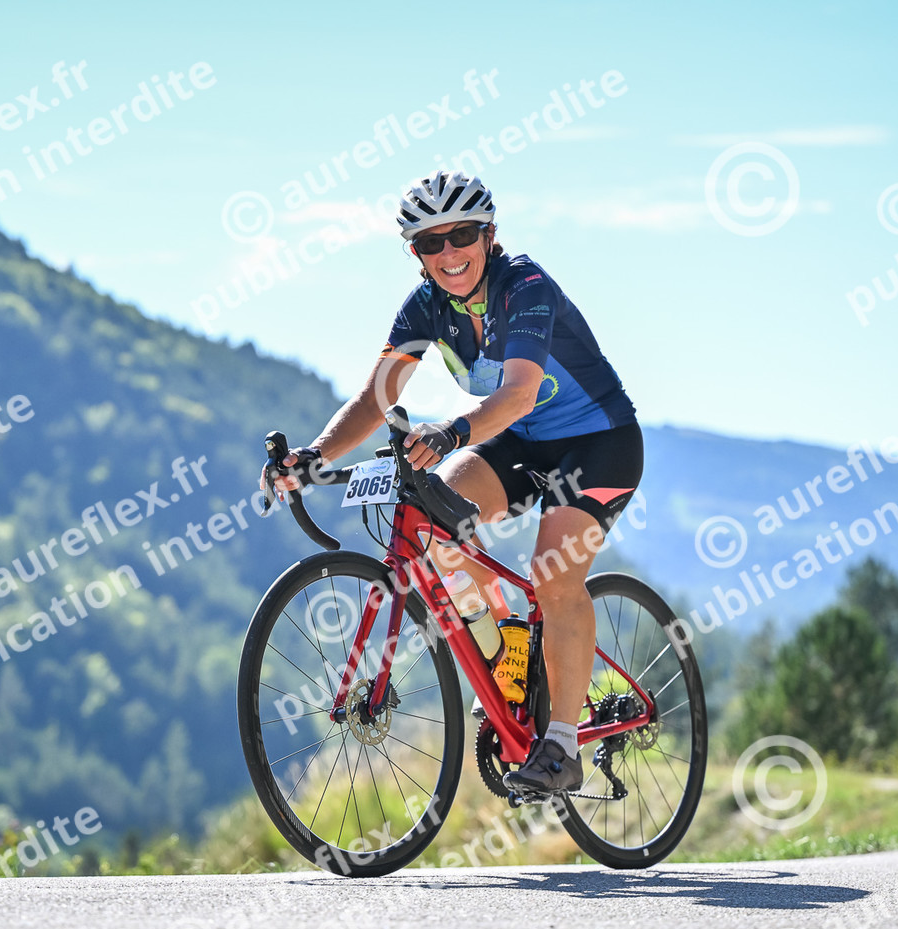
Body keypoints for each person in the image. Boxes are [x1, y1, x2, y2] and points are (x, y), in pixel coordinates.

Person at [261, 169, 643, 796]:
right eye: (430, 242)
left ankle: (562, 746)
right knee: (438, 522)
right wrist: (314, 454)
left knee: (552, 574)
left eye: (462, 234)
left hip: (598, 441)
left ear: (489, 235)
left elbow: (519, 394)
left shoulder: (525, 287)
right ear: (416, 254)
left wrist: (451, 431)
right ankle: (510, 647)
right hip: (518, 442)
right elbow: (374, 398)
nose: (449, 252)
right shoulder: (426, 307)